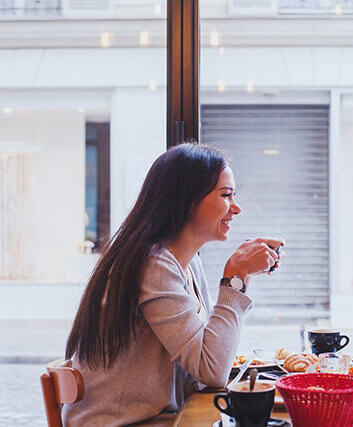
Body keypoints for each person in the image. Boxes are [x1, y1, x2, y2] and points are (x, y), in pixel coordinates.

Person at [63, 143, 284, 426]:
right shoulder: (153, 264)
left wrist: (242, 277)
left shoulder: (189, 263)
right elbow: (211, 370)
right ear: (186, 200)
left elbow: (202, 362)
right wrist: (235, 277)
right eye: (226, 195)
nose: (236, 208)